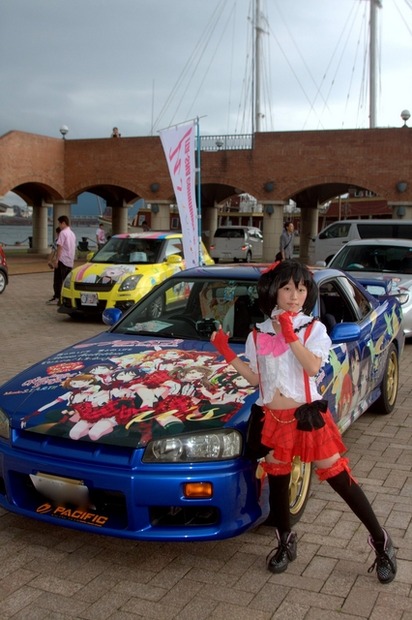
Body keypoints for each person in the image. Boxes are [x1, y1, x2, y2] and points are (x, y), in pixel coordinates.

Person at [210, 259, 397, 584]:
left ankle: (382, 541)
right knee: (279, 484)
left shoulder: (314, 329)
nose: (294, 295)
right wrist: (226, 353)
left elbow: (312, 368)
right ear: (274, 291)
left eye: (300, 288)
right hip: (274, 419)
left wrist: (291, 336)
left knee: (339, 478)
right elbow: (256, 381)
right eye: (287, 288)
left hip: (307, 418)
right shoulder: (258, 335)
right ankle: (285, 541)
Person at [47, 215, 76, 304]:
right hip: (69, 261)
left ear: (63, 223)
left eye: (59, 223)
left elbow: (59, 247)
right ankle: (66, 298)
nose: (59, 225)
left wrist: (56, 260)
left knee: (58, 280)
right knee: (66, 281)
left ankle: (57, 297)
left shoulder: (63, 233)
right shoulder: (72, 234)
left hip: (62, 260)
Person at [46, 226, 61, 303]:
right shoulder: (69, 237)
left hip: (59, 262)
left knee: (57, 280)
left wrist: (49, 261)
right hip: (67, 262)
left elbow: (53, 251)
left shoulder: (58, 240)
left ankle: (57, 297)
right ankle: (61, 296)